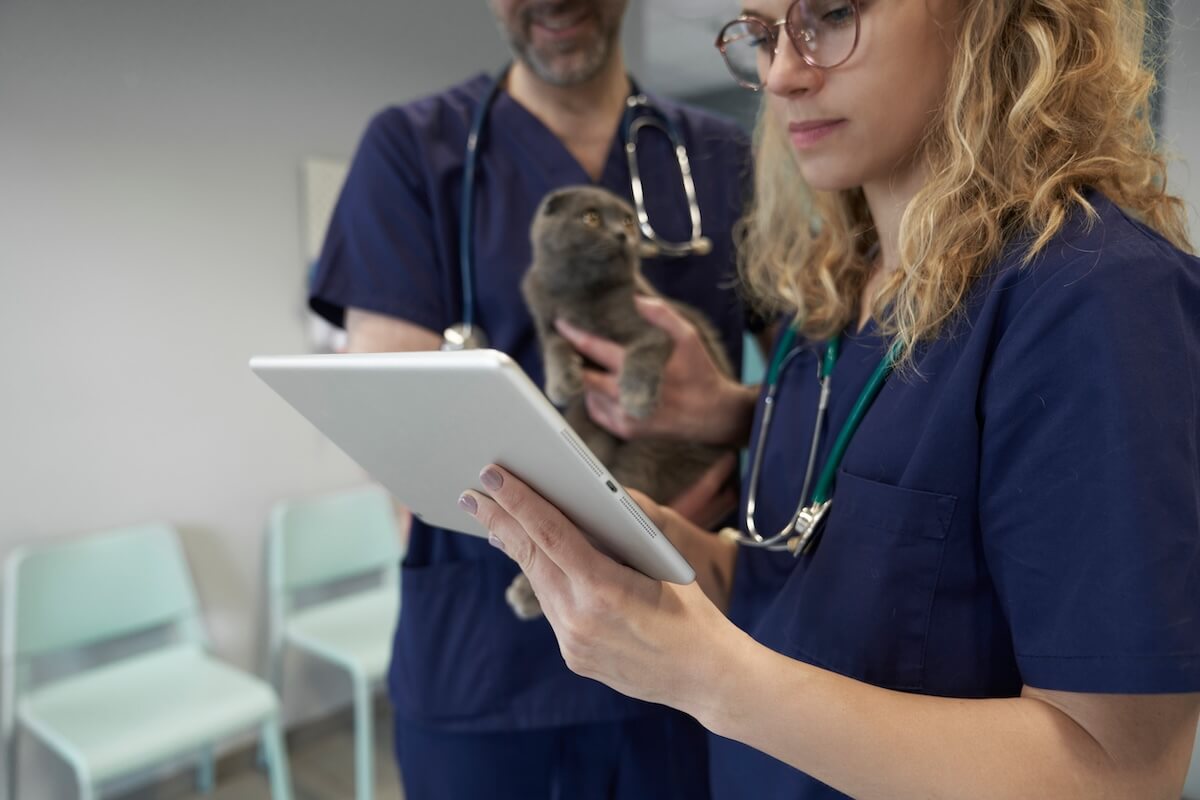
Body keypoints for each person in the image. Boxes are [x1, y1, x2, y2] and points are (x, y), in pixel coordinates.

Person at [460, 0, 1200, 797]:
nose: (782, 74)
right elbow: (804, 581)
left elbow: (1122, 772)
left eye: (833, 13)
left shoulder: (1096, 295)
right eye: (766, 34)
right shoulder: (825, 301)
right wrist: (676, 557)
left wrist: (707, 677)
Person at [308, 0, 757, 796]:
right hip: (485, 666)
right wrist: (611, 523)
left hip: (687, 651)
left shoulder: (726, 159)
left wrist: (729, 409)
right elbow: (402, 435)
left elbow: (829, 392)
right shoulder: (414, 152)